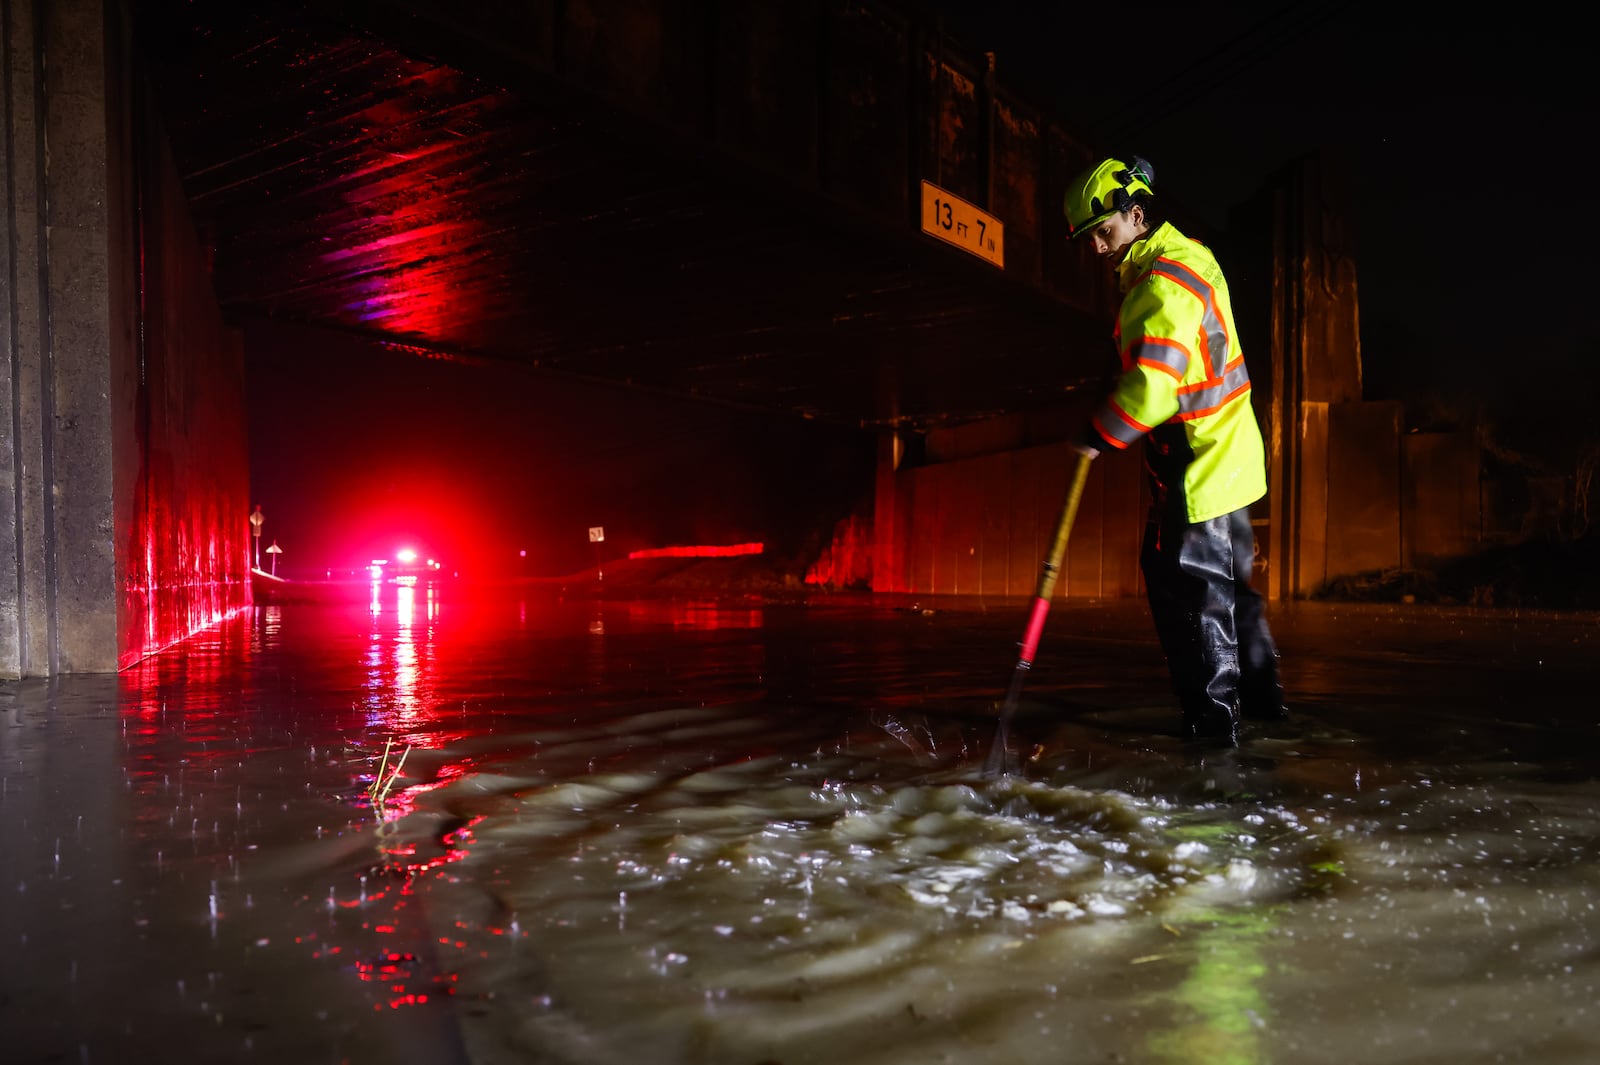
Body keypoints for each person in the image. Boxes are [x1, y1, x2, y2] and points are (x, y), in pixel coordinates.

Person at [1064, 155, 1284, 744]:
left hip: (1199, 467)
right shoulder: (1189, 256)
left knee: (1189, 599)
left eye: (1104, 233)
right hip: (1233, 460)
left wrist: (1099, 431)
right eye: (1089, 240)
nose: (1098, 249)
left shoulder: (1158, 283)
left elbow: (1157, 386)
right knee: (1237, 598)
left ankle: (1212, 740)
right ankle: (1268, 717)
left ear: (1136, 216)